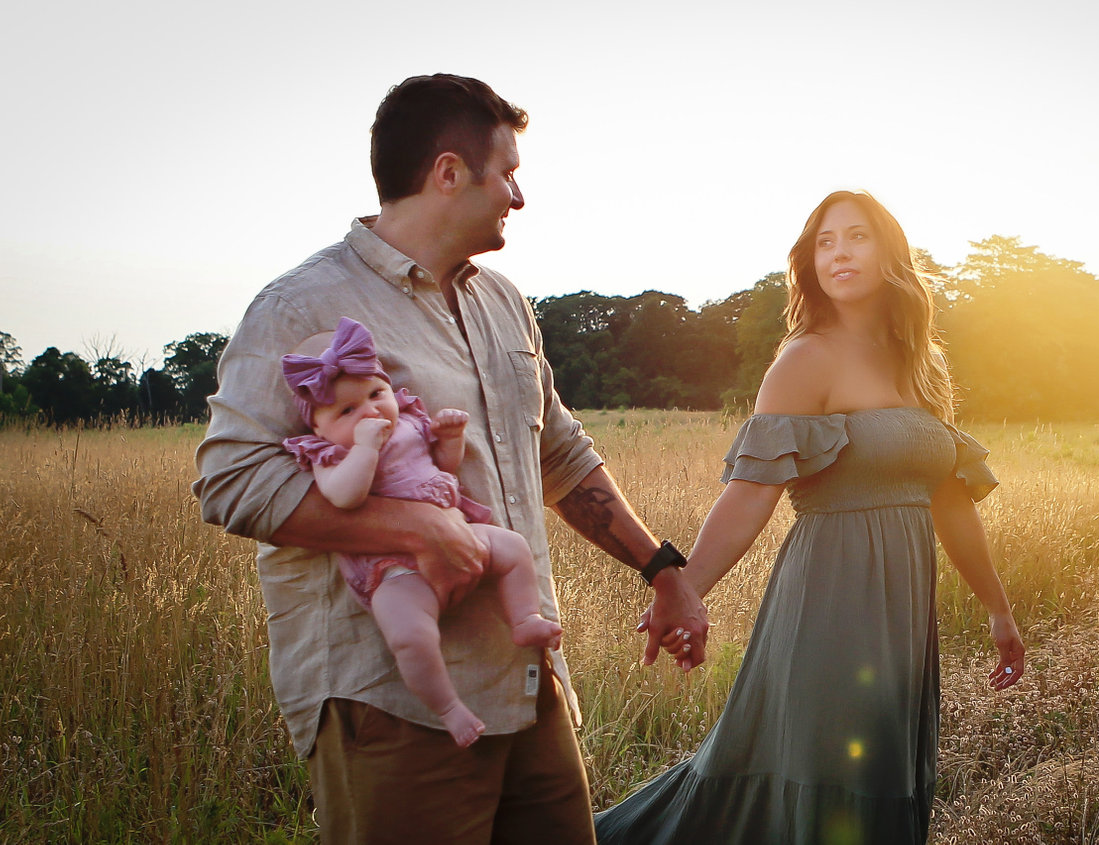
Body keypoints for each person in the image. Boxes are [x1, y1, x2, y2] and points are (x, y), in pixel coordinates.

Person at [193, 74, 707, 843]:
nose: (518, 197)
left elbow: (559, 454)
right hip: (394, 700)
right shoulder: (301, 306)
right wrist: (416, 531)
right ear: (447, 173)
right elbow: (230, 481)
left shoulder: (503, 301)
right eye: (508, 173)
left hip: (530, 689)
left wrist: (663, 569)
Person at [595, 190, 1026, 844]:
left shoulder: (924, 365)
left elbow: (950, 497)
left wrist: (998, 608)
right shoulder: (805, 359)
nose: (839, 252)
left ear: (890, 254)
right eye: (825, 242)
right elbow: (749, 495)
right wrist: (683, 590)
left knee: (885, 776)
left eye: (856, 237)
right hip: (829, 603)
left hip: (904, 618)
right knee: (834, 779)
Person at [281, 316, 563, 748]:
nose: (371, 412)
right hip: (392, 569)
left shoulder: (411, 422)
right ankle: (448, 707)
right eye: (347, 410)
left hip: (461, 531)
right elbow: (344, 498)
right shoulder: (331, 454)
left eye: (377, 394)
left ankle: (524, 618)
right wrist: (365, 449)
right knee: (410, 636)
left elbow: (442, 472)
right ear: (317, 428)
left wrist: (450, 438)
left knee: (512, 547)